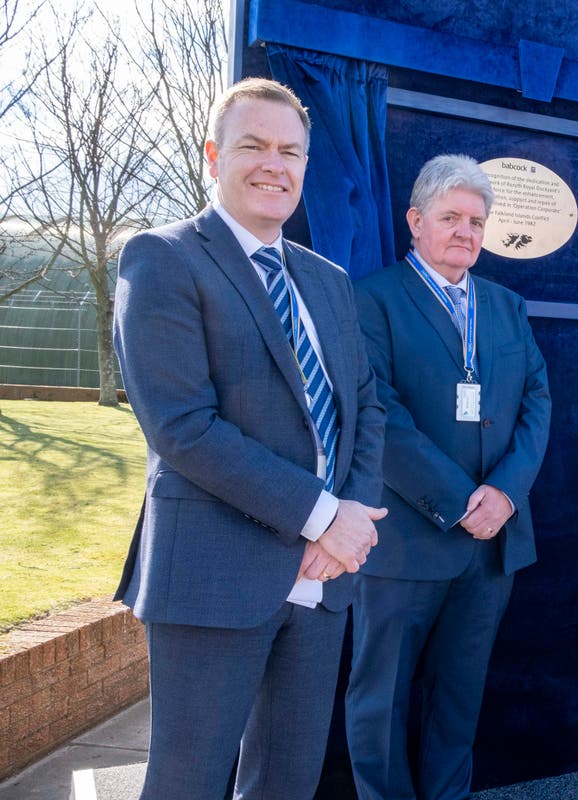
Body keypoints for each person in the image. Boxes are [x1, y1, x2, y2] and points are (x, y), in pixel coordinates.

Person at [112, 77, 387, 799]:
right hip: (214, 574)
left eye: (290, 150)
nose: (275, 164)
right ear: (213, 155)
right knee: (187, 781)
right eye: (253, 146)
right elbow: (183, 427)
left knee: (287, 783)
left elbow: (365, 405)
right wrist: (325, 515)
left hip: (322, 577)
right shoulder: (163, 258)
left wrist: (344, 526)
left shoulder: (328, 281)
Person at [347, 154, 552, 800]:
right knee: (380, 704)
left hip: (491, 545)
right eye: (450, 217)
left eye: (476, 220)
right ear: (415, 220)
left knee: (457, 704)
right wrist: (463, 500)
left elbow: (537, 402)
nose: (466, 231)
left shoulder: (506, 307)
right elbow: (376, 412)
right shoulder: (372, 300)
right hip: (405, 542)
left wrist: (506, 495)